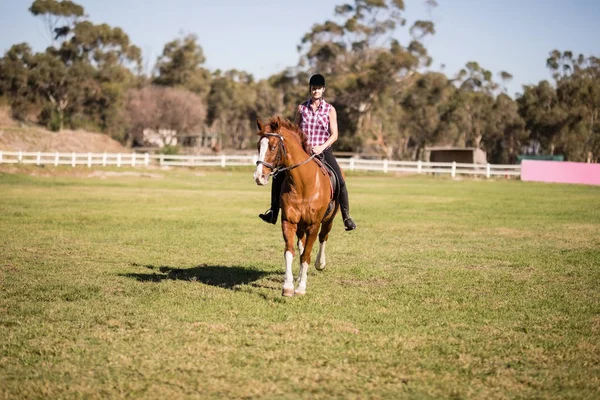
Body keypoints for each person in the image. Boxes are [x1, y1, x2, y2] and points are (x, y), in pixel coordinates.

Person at [259, 74, 357, 231]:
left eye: (318, 88)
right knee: (278, 176)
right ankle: (273, 212)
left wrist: (321, 146)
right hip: (303, 153)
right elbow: (294, 131)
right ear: (310, 89)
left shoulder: (330, 110)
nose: (316, 90)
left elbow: (335, 135)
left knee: (339, 179)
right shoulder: (301, 108)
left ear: (323, 89)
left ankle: (346, 217)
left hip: (323, 151)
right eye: (313, 88)